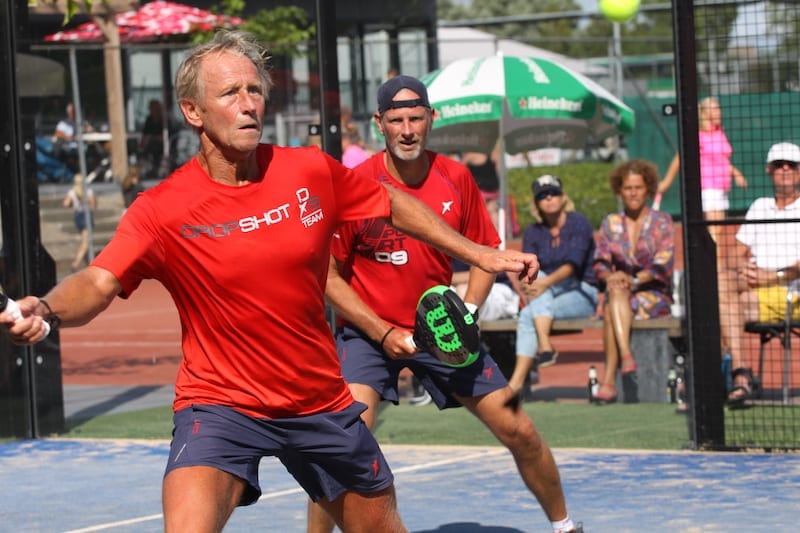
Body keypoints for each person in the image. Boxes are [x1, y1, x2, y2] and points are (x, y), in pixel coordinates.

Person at [2, 31, 542, 532]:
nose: (249, 103)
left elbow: (391, 203)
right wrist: (46, 311)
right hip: (219, 405)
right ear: (193, 111)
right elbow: (98, 282)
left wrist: (480, 254)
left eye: (255, 90)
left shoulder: (307, 170)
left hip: (317, 401)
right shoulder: (162, 210)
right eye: (231, 92)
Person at [308, 74, 580, 533]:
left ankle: (566, 526)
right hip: (368, 334)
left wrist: (467, 313)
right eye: (397, 120)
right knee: (343, 444)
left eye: (416, 118)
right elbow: (328, 277)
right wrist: (380, 331)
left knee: (521, 430)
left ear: (431, 119)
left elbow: (484, 254)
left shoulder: (456, 178)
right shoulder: (355, 184)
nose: (408, 129)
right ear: (380, 124)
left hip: (442, 329)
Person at [717, 142, 800, 407]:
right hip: (754, 293)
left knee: (719, 309)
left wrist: (773, 276)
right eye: (779, 165)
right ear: (769, 171)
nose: (785, 170)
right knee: (722, 282)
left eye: (791, 165)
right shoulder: (759, 206)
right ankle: (741, 376)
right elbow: (732, 255)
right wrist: (739, 266)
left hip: (792, 295)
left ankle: (711, 380)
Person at [506, 175, 599, 395]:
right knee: (528, 313)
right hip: (547, 297)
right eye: (542, 195)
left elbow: (572, 266)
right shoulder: (533, 232)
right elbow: (527, 269)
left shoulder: (579, 223)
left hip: (582, 293)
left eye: (553, 193)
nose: (549, 198)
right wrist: (530, 285)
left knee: (533, 304)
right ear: (536, 203)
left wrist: (542, 284)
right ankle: (520, 380)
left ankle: (518, 380)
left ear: (563, 197)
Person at [592, 160, 675, 404]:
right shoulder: (611, 223)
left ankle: (608, 380)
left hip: (654, 295)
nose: (633, 193)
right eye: (628, 188)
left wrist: (633, 279)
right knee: (615, 296)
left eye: (638, 187)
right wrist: (611, 277)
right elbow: (600, 263)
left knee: (611, 306)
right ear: (620, 190)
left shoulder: (662, 221)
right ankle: (626, 358)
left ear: (648, 189)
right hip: (622, 292)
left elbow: (664, 264)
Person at [658, 96, 747, 241]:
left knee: (717, 232)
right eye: (715, 109)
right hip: (708, 188)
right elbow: (680, 157)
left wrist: (737, 174)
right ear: (704, 113)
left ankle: (713, 263)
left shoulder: (719, 132)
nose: (719, 112)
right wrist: (666, 182)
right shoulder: (698, 135)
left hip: (722, 188)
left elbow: (722, 161)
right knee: (714, 232)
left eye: (719, 108)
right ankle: (713, 263)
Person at [62, 173, 96, 271]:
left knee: (86, 239)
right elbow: (94, 205)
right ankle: (76, 263)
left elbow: (65, 203)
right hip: (86, 215)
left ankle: (90, 262)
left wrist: (73, 203)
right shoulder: (88, 191)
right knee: (86, 241)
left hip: (78, 215)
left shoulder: (72, 192)